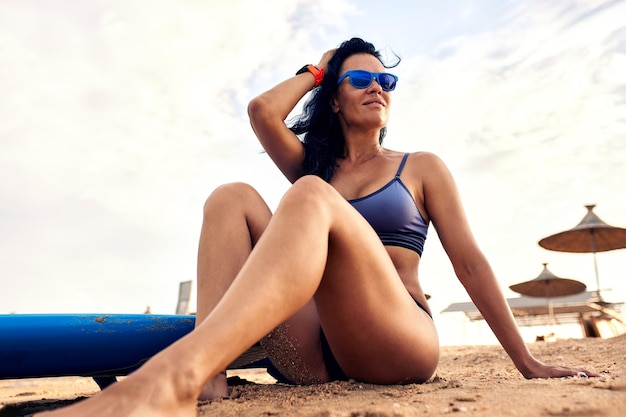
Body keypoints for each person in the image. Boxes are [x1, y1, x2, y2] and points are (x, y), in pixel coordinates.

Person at [38, 37, 598, 417]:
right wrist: (317, 68)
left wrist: (526, 362)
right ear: (333, 96)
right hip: (312, 353)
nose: (379, 86)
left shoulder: (420, 167)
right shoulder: (317, 166)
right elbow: (262, 111)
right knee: (231, 197)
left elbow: (470, 262)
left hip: (395, 341)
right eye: (361, 78)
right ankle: (207, 379)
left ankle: (174, 376)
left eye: (387, 81)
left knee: (308, 195)